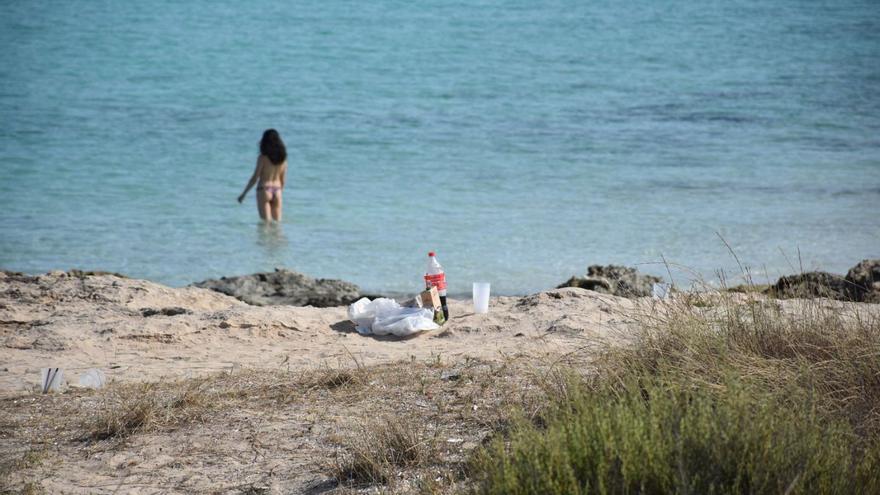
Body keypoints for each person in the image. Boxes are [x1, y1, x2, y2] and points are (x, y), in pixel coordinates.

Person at [238, 129, 288, 221]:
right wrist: (280, 193)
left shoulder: (262, 158)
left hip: (264, 190)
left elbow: (255, 178)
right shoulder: (283, 160)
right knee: (277, 225)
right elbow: (283, 180)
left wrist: (243, 194)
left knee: (266, 224)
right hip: (277, 190)